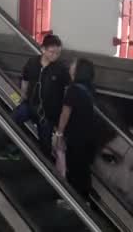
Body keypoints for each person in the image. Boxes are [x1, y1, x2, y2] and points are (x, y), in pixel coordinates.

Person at [0, 34, 70, 161]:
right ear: (43, 49)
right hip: (30, 104)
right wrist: (23, 95)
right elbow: (25, 79)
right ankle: (12, 150)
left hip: (48, 113)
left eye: (58, 53)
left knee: (45, 142)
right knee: (11, 120)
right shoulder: (32, 63)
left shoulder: (61, 69)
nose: (55, 56)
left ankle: (45, 167)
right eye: (52, 52)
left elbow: (67, 89)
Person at [53, 59, 97, 202]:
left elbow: (65, 113)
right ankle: (85, 200)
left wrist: (59, 134)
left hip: (75, 136)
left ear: (78, 70)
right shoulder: (90, 88)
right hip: (89, 136)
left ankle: (73, 201)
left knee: (73, 168)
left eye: (73, 64)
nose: (70, 66)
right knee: (83, 169)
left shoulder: (73, 90)